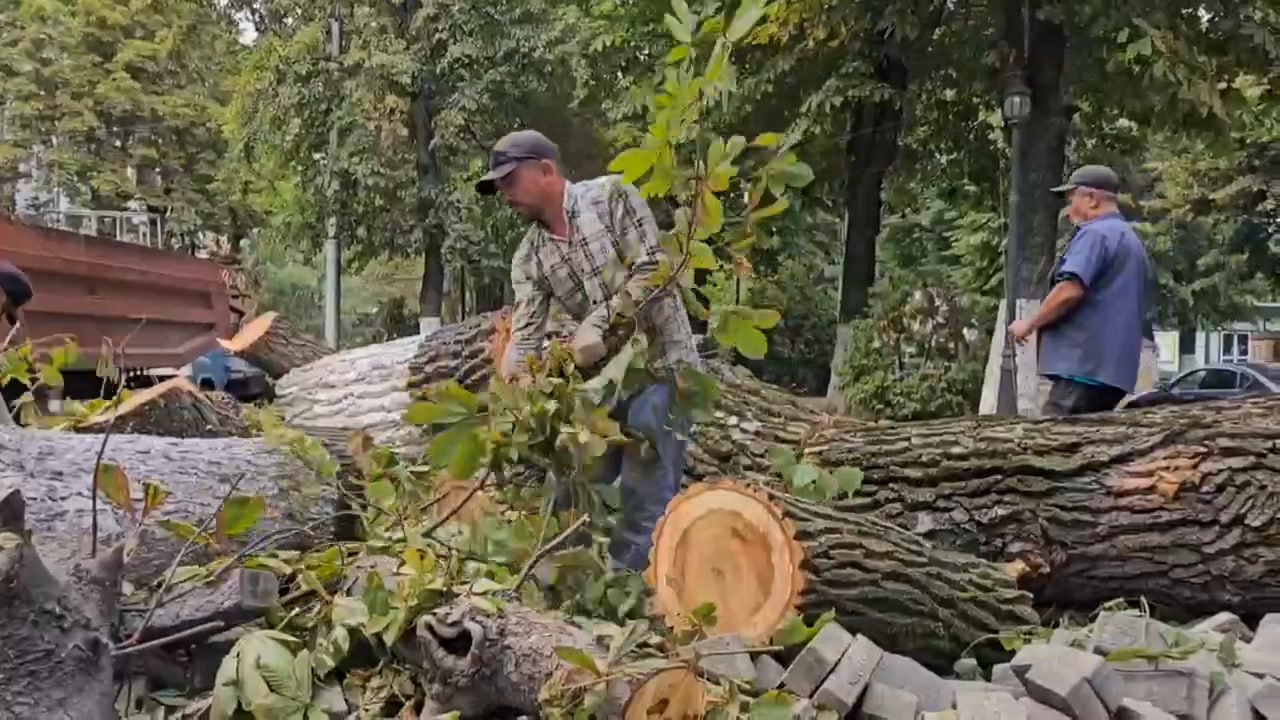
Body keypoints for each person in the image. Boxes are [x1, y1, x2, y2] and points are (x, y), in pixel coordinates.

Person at [475, 129, 702, 572]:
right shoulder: (529, 257)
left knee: (643, 487)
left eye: (509, 181)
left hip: (660, 368)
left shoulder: (612, 198)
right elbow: (525, 333)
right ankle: (560, 589)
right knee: (569, 482)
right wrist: (515, 382)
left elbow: (656, 268)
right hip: (601, 386)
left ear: (545, 170)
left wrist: (605, 317)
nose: (504, 194)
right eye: (498, 186)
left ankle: (632, 601)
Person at [1008, 164, 1150, 416]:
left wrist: (1029, 324)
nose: (1068, 208)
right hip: (1110, 372)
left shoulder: (1095, 234)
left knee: (1049, 447)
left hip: (1084, 368)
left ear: (1092, 199)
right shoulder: (1129, 239)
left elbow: (1071, 289)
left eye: (1071, 198)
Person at [0, 260, 33, 334]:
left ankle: (16, 331)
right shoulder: (3, 265)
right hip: (23, 289)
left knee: (9, 310)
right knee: (8, 308)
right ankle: (16, 329)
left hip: (20, 290)